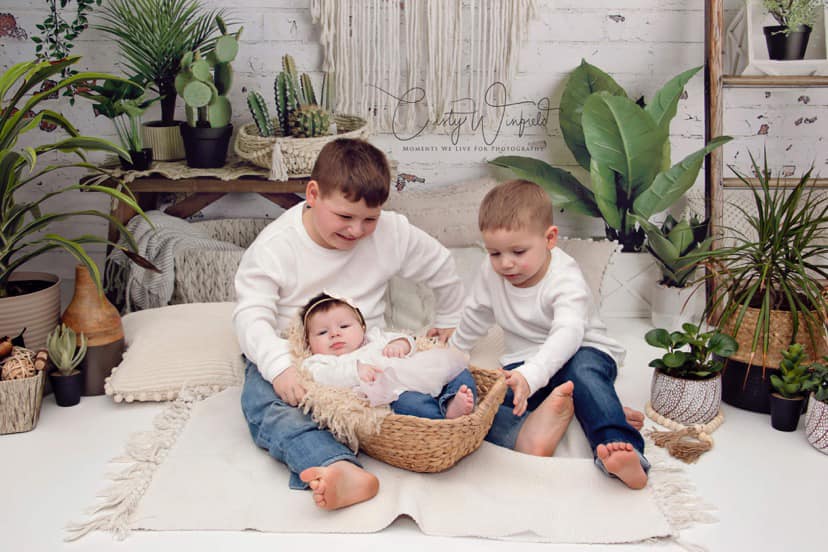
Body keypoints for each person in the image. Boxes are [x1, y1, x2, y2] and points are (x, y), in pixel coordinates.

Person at [234, 138, 466, 510]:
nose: (357, 230)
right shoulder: (276, 246)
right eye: (345, 217)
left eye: (369, 219)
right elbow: (250, 315)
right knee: (266, 406)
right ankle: (336, 466)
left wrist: (451, 318)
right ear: (313, 194)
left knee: (447, 369)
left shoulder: (392, 232)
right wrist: (278, 368)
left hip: (370, 352)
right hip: (298, 359)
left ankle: (491, 426)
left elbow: (439, 264)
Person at [449, 179, 649, 490]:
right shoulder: (492, 273)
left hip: (584, 349)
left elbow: (567, 335)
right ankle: (535, 430)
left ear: (550, 239)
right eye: (494, 253)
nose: (506, 263)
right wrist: (454, 350)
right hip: (526, 361)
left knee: (582, 374)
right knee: (485, 403)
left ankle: (620, 444)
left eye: (517, 251)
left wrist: (533, 375)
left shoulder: (565, 277)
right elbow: (477, 313)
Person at [299, 291, 476, 417]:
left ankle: (451, 399)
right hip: (396, 392)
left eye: (344, 326)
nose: (334, 334)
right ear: (308, 342)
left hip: (419, 372)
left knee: (458, 371)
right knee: (411, 405)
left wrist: (400, 344)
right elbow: (323, 376)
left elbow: (408, 338)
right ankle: (445, 416)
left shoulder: (374, 337)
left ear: (362, 328)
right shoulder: (318, 361)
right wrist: (355, 372)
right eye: (322, 332)